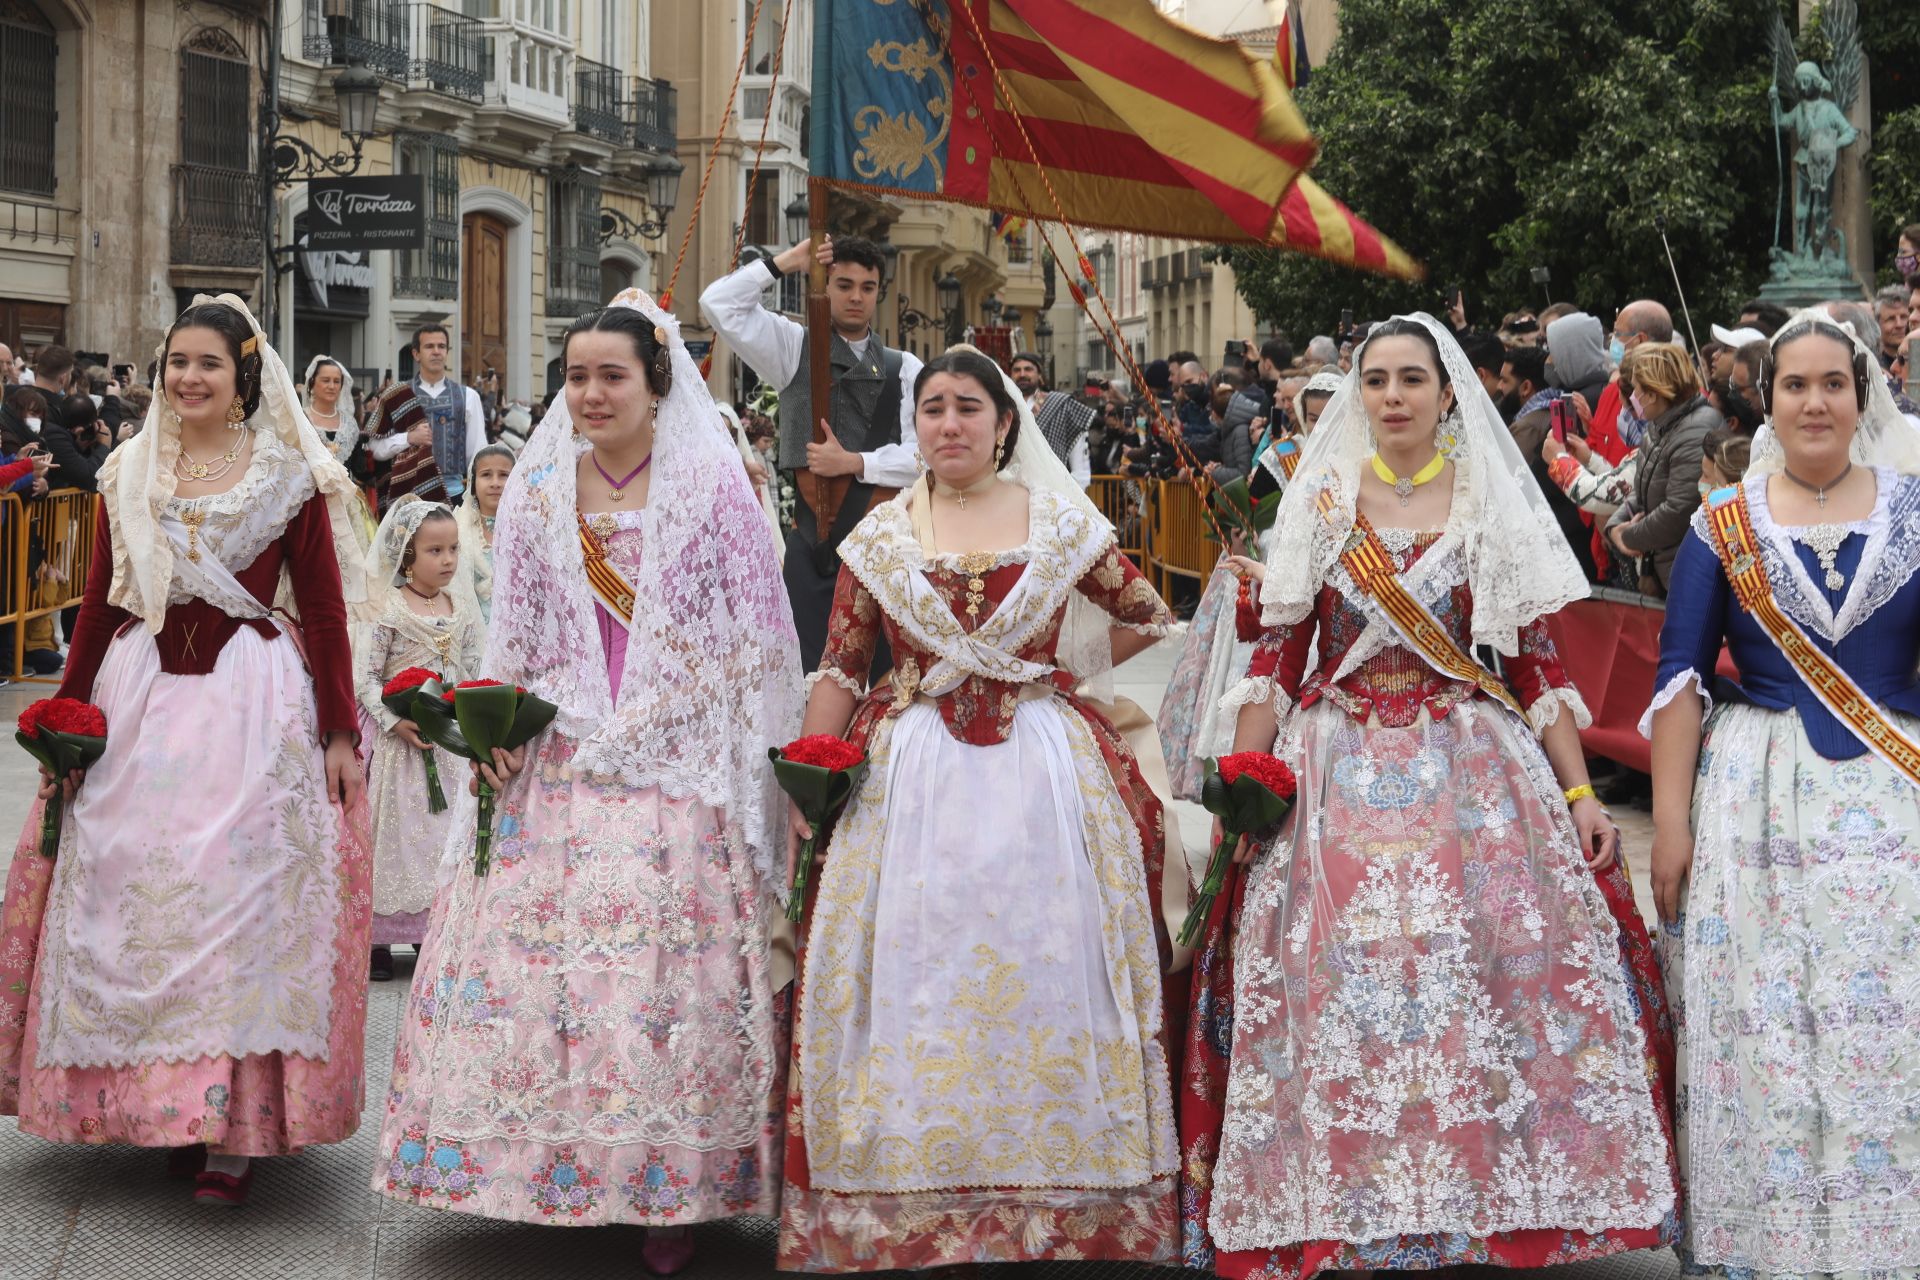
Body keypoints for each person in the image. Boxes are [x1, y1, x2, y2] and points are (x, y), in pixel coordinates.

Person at [1186, 314, 1678, 1277]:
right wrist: (1243, 792)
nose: (1395, 396)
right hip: (1338, 764)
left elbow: (1535, 670)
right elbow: (1278, 661)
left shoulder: (1487, 505)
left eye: (1414, 379)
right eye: (1377, 381)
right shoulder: (1321, 507)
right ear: (1357, 395)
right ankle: (1348, 1194)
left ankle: (1484, 1191)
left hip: (1470, 760)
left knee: (1484, 964)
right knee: (1334, 973)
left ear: (1448, 395)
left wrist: (1580, 793)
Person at [372, 291, 799, 1274]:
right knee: (542, 969)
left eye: (613, 375)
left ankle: (667, 1180)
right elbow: (514, 635)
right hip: (559, 753)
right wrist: (499, 724)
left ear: (659, 384)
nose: (593, 392)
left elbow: (758, 640)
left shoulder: (713, 488)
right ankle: (544, 1159)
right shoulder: (535, 490)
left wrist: (687, 708)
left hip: (674, 759)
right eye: (576, 376)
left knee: (655, 972)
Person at [778, 347, 1179, 1271]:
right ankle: (916, 1191)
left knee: (1051, 951)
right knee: (917, 961)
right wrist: (811, 769)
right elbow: (843, 665)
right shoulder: (879, 536)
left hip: (1041, 770)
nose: (949, 424)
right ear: (913, 427)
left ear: (1005, 424)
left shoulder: (1058, 522)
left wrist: (1056, 671)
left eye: (967, 407)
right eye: (932, 409)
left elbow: (1149, 613)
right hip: (909, 772)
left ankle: (1062, 1194)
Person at [0, 294, 370, 1206]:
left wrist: (337, 727)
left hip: (254, 702)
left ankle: (231, 1129)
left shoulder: (290, 473)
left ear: (244, 373)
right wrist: (66, 713)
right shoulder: (129, 468)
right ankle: (155, 1102)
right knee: (130, 891)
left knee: (239, 898)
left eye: (207, 362)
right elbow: (97, 603)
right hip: (143, 699)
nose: (188, 378)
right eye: (176, 363)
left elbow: (321, 606)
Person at [1646, 308, 1920, 1280]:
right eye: (1795, 384)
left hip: (1894, 809)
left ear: (1862, 395)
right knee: (1772, 1026)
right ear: (1769, 401)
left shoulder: (1917, 511)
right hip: (1756, 810)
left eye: (1832, 384)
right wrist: (1669, 825)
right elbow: (1678, 679)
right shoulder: (1724, 523)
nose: (1815, 401)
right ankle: (1775, 1247)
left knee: (1889, 1020)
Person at [700, 234, 922, 671]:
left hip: (885, 549)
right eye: (843, 284)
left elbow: (925, 460)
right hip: (813, 547)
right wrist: (790, 261)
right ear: (825, 286)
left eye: (867, 287)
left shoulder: (907, 368)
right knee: (806, 670)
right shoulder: (791, 347)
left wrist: (856, 463)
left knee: (884, 675)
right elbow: (718, 304)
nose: (856, 297)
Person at [354, 496, 482, 980]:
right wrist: (395, 720)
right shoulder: (388, 608)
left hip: (447, 743)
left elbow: (472, 669)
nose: (447, 560)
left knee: (442, 834)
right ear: (407, 554)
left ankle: (430, 930)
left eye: (453, 549)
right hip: (400, 748)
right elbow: (365, 677)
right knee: (396, 838)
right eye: (434, 551)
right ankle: (378, 940)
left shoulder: (461, 607)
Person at [1605, 342, 1719, 596]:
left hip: (1684, 573)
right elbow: (1642, 490)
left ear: (1653, 393)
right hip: (1662, 566)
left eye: (1636, 389)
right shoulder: (1659, 423)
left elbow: (1679, 509)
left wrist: (1629, 537)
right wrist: (1615, 527)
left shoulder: (1696, 431)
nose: (1632, 396)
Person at [366, 325, 489, 507]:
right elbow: (373, 448)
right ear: (416, 354)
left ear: (447, 352)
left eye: (441, 346)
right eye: (429, 346)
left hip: (453, 495)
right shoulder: (395, 395)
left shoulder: (469, 397)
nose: (436, 352)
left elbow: (479, 454)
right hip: (407, 498)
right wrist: (408, 438)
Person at [453, 442, 514, 626]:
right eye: (486, 475)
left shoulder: (528, 529)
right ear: (473, 482)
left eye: (504, 475)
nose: (495, 483)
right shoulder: (455, 528)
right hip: (468, 633)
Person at [1010, 350, 1094, 485]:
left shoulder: (1060, 404)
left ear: (1039, 375)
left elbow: (1079, 464)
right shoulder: (1002, 407)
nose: (1022, 374)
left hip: (1052, 489)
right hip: (1010, 490)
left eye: (1028, 369)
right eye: (1017, 370)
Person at [1874, 283, 1911, 370]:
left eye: (1904, 317)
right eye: (1891, 319)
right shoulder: (1873, 369)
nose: (1899, 324)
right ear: (1877, 325)